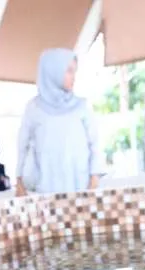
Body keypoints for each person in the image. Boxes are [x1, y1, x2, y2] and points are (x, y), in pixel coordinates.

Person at [14, 49, 102, 196]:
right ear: (53, 71)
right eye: (68, 71)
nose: (73, 77)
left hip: (80, 189)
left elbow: (95, 145)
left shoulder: (82, 106)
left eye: (74, 71)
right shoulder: (34, 108)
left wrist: (94, 178)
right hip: (45, 191)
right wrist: (19, 180)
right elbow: (22, 145)